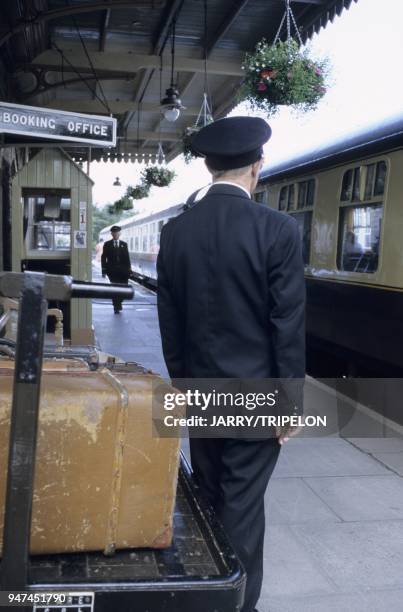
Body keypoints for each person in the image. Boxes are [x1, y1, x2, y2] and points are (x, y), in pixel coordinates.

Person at [156, 116, 305, 612]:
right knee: (242, 508)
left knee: (208, 498)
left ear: (207, 165)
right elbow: (287, 325)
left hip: (201, 391)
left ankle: (204, 594)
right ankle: (235, 605)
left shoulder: (175, 232)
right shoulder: (279, 230)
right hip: (256, 397)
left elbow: (170, 323)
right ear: (257, 166)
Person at [101, 225, 132, 313]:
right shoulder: (107, 244)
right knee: (115, 288)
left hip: (123, 271)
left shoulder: (124, 244)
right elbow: (104, 257)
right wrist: (103, 270)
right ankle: (116, 306)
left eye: (117, 233)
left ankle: (119, 301)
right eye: (114, 233)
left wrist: (129, 269)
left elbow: (127, 258)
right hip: (112, 271)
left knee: (123, 288)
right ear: (111, 234)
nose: (115, 234)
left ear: (120, 233)